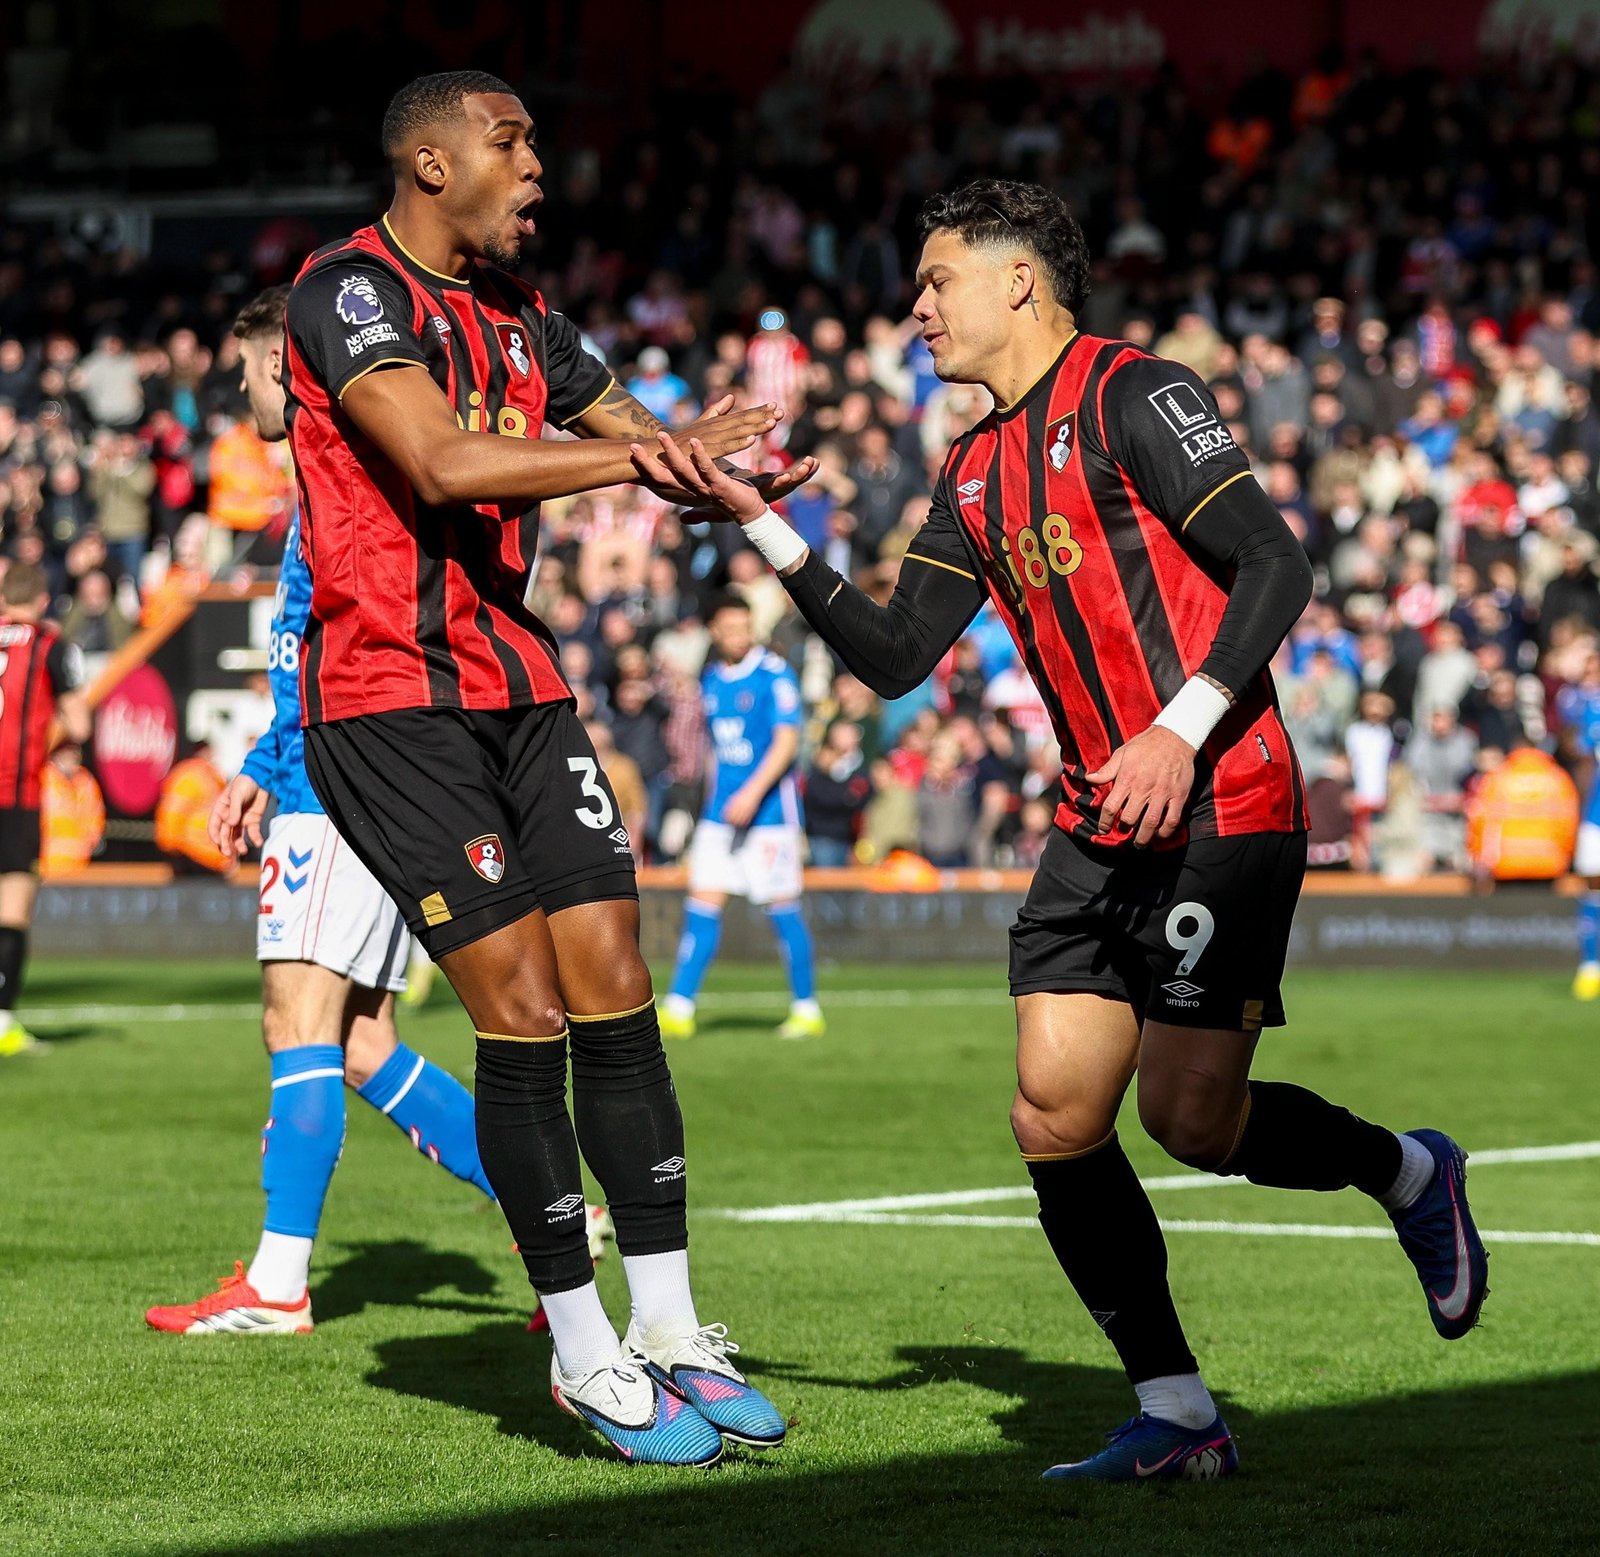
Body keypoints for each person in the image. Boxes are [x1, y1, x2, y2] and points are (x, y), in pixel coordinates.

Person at [636, 177, 1489, 1483]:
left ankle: (1411, 1175)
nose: (916, 308)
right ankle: (1180, 1414)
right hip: (1100, 818)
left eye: (938, 281)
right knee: (1055, 1109)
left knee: (1192, 1123)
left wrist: (1180, 722)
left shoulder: (1137, 395)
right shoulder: (971, 467)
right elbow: (892, 657)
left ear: (1020, 280)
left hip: (1222, 795)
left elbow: (1278, 563)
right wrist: (763, 519)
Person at [280, 73, 805, 1465]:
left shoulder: (526, 317)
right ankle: (581, 1352)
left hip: (522, 686)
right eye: (511, 146)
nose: (537, 170)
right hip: (391, 705)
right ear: (430, 158)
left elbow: (631, 422)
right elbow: (444, 464)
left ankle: (672, 1327)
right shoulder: (344, 294)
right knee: (517, 1008)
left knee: (617, 988)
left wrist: (711, 469)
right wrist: (646, 463)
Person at [144, 286, 504, 1339]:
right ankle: (557, 1230)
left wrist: (278, 765)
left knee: (295, 1025)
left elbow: (342, 657)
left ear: (286, 366)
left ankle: (278, 1284)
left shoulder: (342, 487)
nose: (242, 388)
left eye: (249, 368)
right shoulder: (340, 487)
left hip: (336, 788)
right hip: (346, 775)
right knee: (360, 1043)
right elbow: (314, 654)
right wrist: (261, 759)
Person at [659, 594, 822, 1041]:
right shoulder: (711, 679)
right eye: (730, 628)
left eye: (744, 627)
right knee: (702, 906)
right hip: (720, 815)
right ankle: (678, 1006)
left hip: (769, 814)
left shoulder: (774, 675)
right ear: (714, 630)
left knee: (782, 909)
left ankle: (806, 1008)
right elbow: (715, 753)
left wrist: (751, 793)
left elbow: (787, 742)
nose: (739, 636)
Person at [0, 561, 90, 1055]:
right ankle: (2, 1023)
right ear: (40, 600)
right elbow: (79, 724)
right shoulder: (49, 645)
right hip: (14, 794)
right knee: (11, 910)